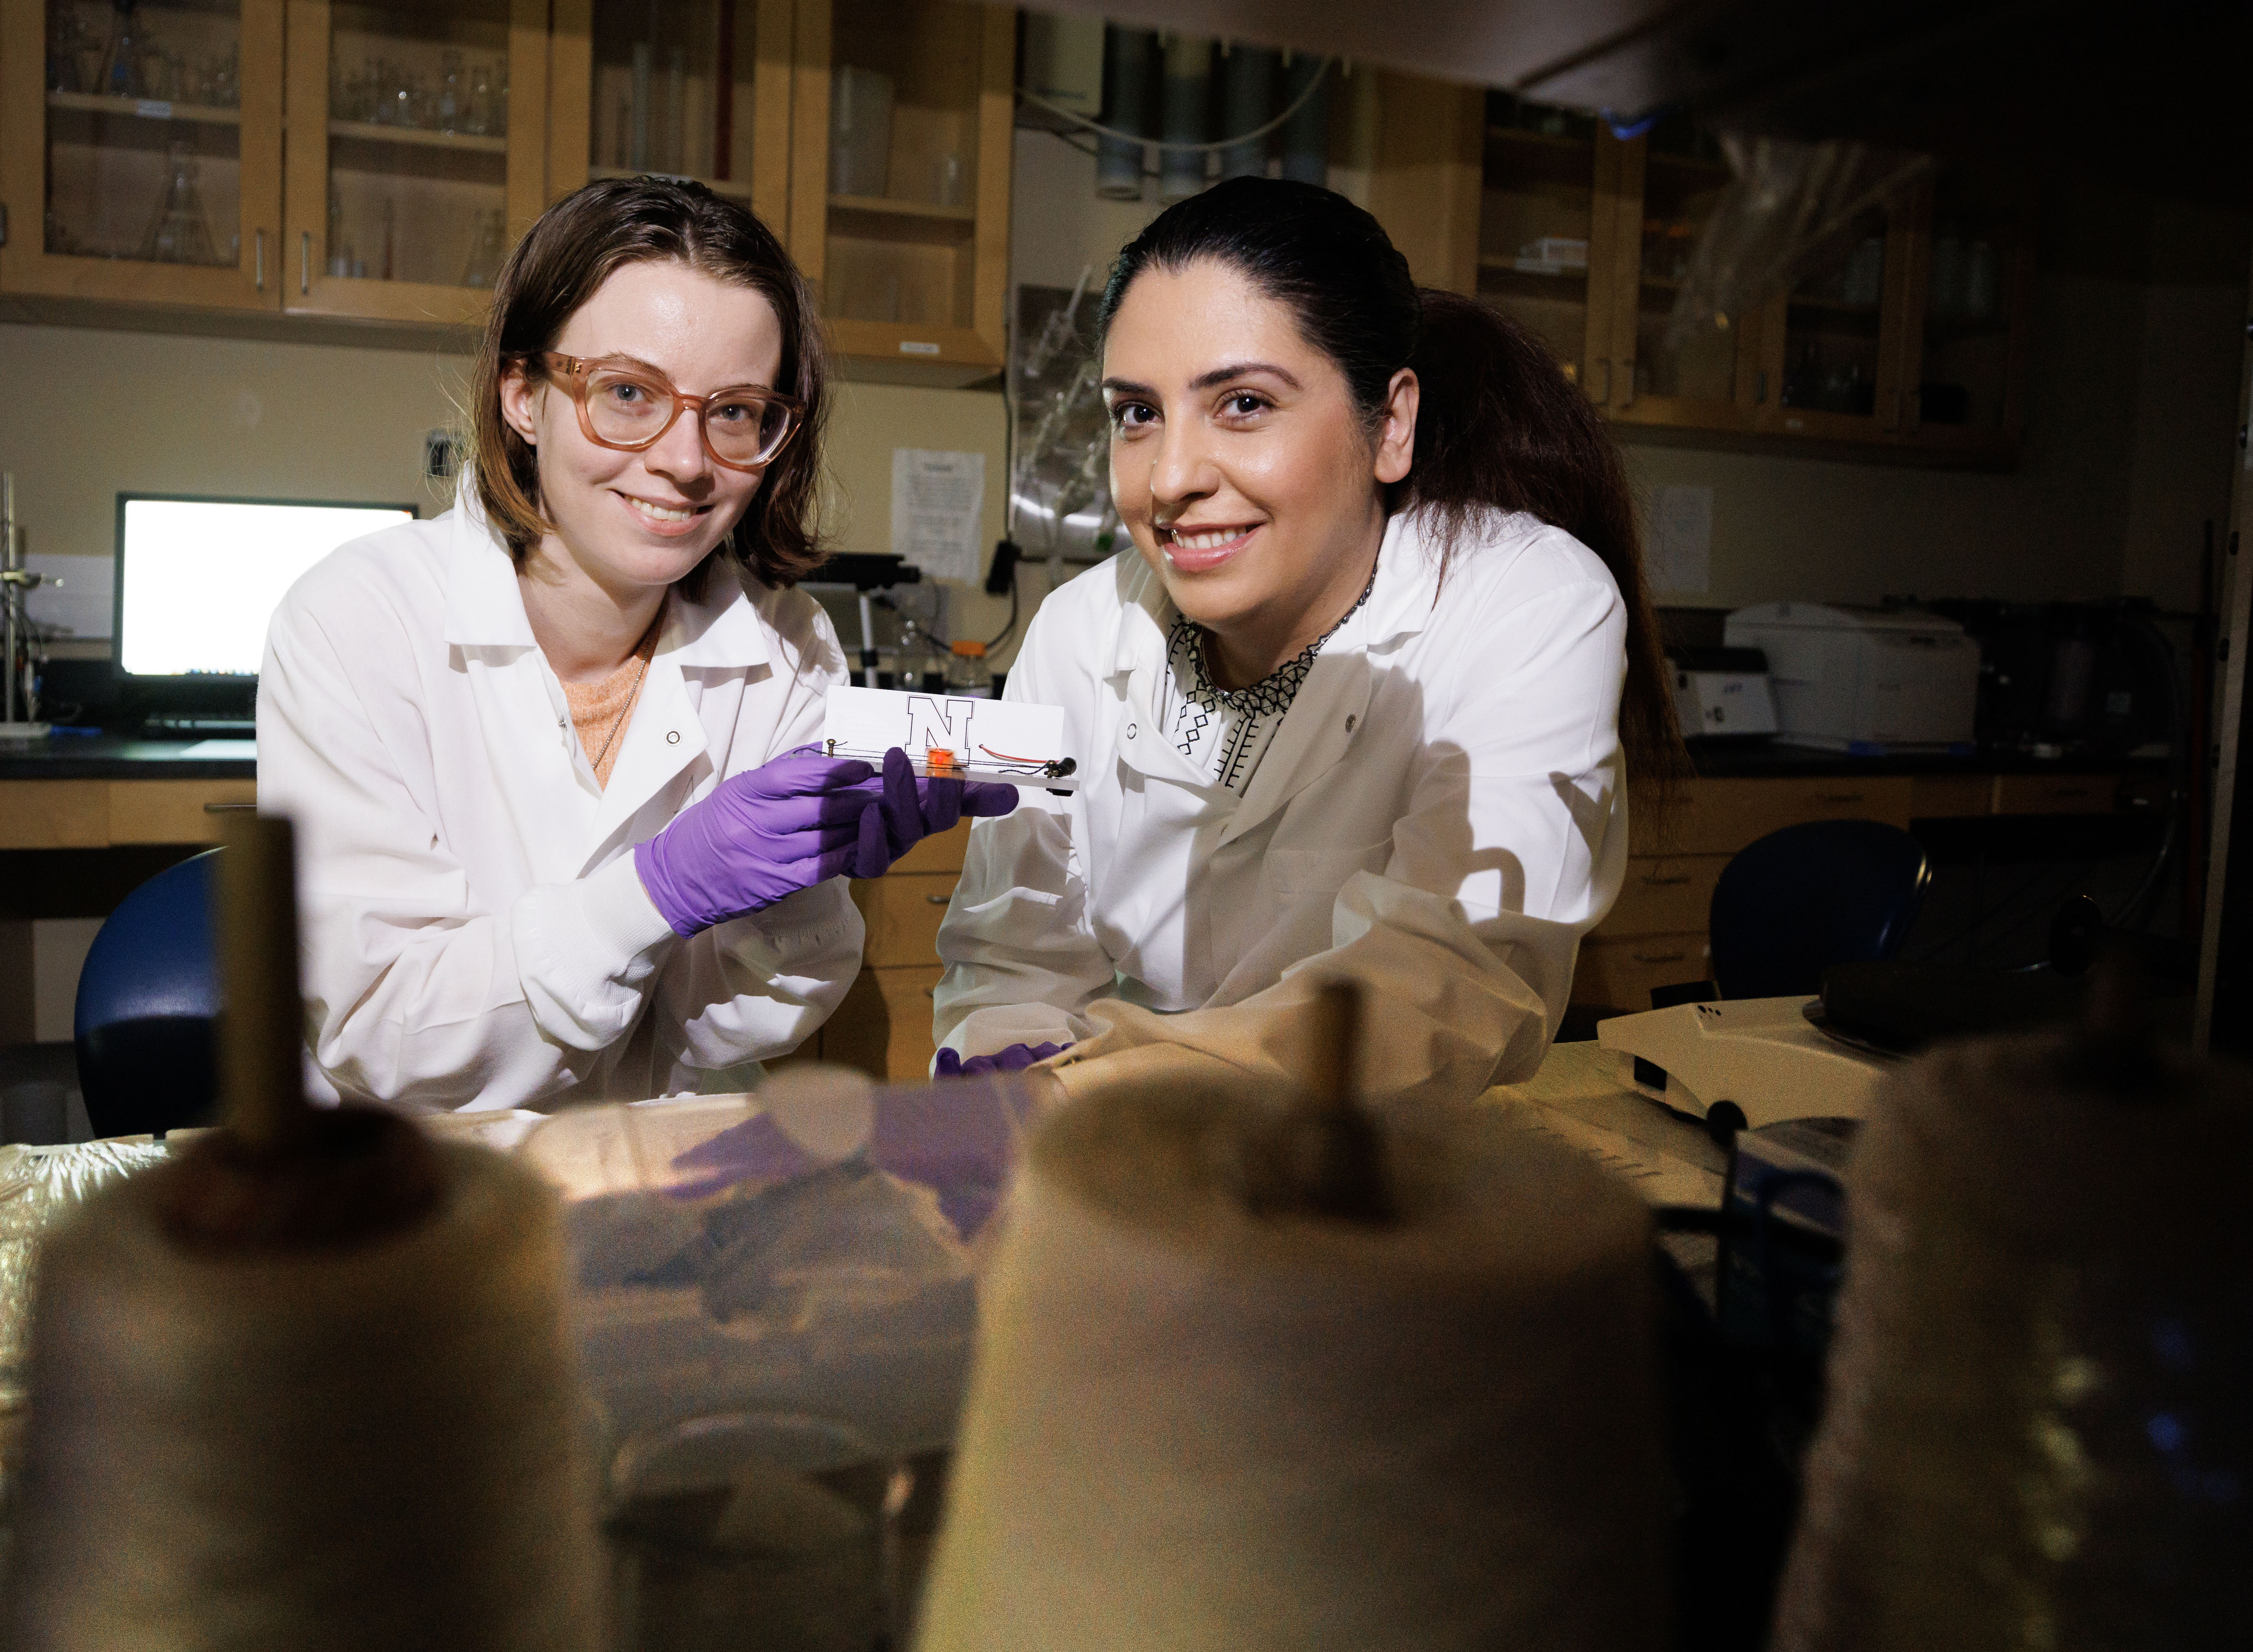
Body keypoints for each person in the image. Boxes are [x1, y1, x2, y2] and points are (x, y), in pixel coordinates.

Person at [261, 178, 1012, 1112]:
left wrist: (795, 895)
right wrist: (657, 889)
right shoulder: (355, 622)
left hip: (655, 1184)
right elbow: (388, 1036)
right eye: (627, 392)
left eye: (735, 411)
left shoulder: (785, 647)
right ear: (523, 398)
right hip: (416, 1201)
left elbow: (730, 1032)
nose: (688, 461)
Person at [932, 177, 1684, 1098]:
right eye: (1138, 413)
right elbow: (1013, 953)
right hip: (1116, 1162)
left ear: (1391, 425)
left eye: (1244, 403)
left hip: (1390, 1180)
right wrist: (1001, 1073)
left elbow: (1443, 984)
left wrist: (1101, 1089)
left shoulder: (1525, 601)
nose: (1169, 478)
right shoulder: (1079, 632)